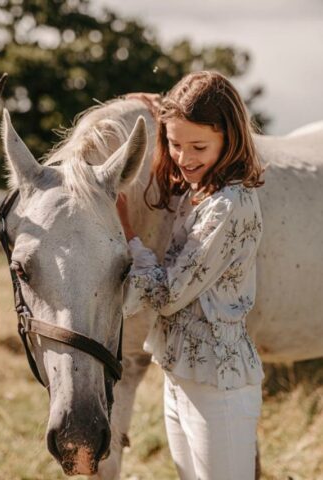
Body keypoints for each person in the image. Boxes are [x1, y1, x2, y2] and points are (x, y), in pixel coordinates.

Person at [117, 71, 265, 480]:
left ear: (229, 139)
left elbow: (167, 295)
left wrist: (129, 235)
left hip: (219, 387)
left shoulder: (228, 206)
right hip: (181, 373)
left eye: (198, 146)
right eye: (174, 143)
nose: (184, 157)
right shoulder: (198, 192)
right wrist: (155, 107)